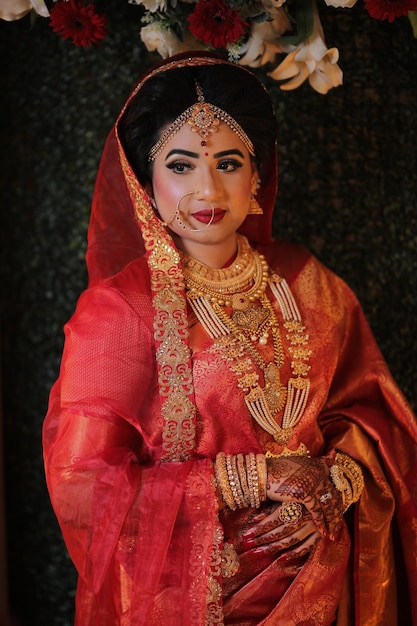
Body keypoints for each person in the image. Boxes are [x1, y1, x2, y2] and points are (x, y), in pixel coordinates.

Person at [43, 52, 417, 626]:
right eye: (182, 165)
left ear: (258, 174)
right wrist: (257, 478)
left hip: (322, 581)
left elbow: (370, 419)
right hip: (190, 596)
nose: (208, 187)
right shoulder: (119, 310)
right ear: (147, 180)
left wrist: (333, 486)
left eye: (228, 162)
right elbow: (81, 486)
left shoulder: (308, 280)